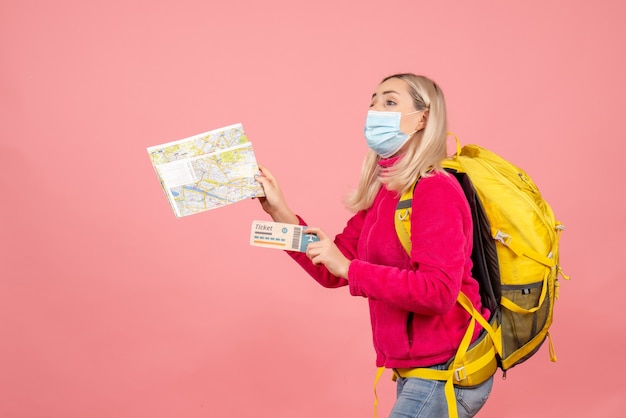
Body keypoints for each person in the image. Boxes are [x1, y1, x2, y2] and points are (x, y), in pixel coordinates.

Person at [255, 73, 493, 418]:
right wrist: (279, 210)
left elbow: (439, 292)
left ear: (423, 118)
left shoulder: (435, 190)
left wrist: (351, 269)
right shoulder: (386, 193)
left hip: (447, 371)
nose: (374, 110)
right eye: (373, 102)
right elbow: (332, 268)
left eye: (390, 102)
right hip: (417, 372)